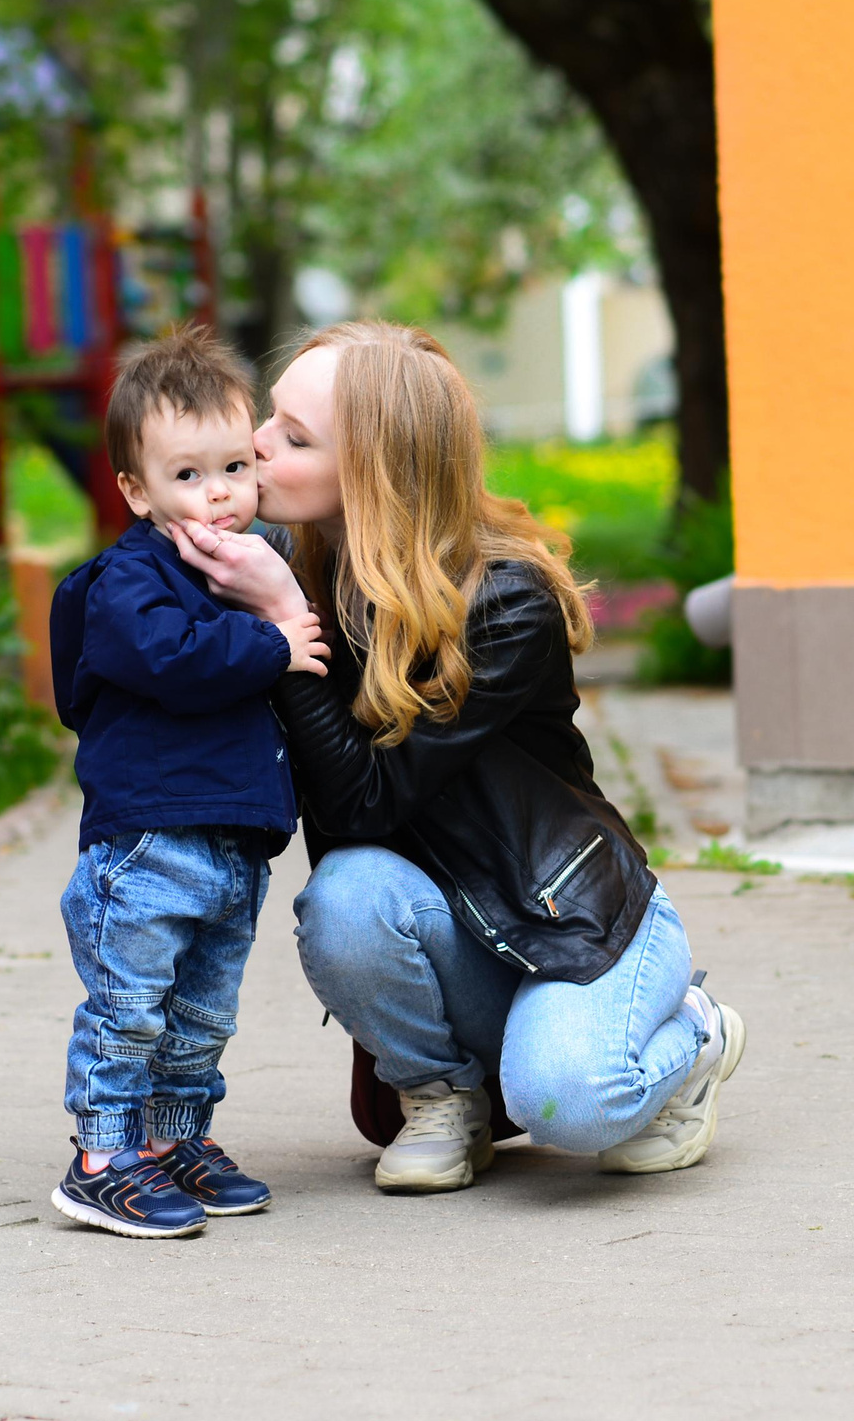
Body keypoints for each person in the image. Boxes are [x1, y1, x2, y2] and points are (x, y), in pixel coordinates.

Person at [167, 319, 747, 1194]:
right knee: (345, 896)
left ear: (374, 471)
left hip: (571, 926)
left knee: (570, 1106)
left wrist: (285, 629)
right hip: (446, 929)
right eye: (269, 416)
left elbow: (364, 803)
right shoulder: (285, 561)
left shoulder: (505, 601)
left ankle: (696, 1032)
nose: (255, 443)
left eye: (294, 436)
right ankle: (444, 1096)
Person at [43, 327, 334, 1239]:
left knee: (202, 1017)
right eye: (187, 475)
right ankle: (101, 1159)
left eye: (233, 468)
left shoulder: (244, 565)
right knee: (130, 1011)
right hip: (150, 841)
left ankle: (171, 1141)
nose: (218, 493)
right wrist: (273, 640)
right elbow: (171, 657)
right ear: (136, 490)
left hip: (232, 845)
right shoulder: (129, 583)